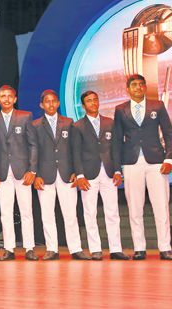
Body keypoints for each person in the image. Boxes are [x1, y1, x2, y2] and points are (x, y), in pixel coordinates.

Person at [112, 74, 172, 260]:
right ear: (128, 89)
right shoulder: (120, 110)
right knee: (134, 207)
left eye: (141, 84)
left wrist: (169, 159)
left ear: (145, 87)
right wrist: (117, 168)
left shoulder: (158, 106)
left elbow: (169, 134)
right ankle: (139, 248)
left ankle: (165, 248)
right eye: (134, 85)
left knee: (161, 205)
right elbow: (116, 141)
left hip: (156, 161)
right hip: (131, 162)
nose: (138, 87)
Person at [71, 91, 130, 260]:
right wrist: (80, 175)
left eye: (95, 99)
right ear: (83, 105)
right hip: (88, 174)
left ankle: (115, 249)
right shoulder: (78, 126)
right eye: (89, 101)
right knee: (90, 213)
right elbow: (75, 153)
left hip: (110, 172)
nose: (93, 103)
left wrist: (118, 171)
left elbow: (116, 149)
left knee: (112, 211)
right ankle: (95, 249)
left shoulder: (110, 123)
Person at [32, 90, 89, 260]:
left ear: (57, 103)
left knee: (70, 212)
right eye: (47, 102)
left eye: (53, 101)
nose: (51, 104)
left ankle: (76, 248)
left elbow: (75, 151)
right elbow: (33, 152)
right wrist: (36, 174)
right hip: (44, 175)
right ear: (42, 105)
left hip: (67, 174)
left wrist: (77, 173)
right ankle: (52, 249)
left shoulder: (69, 123)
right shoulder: (35, 125)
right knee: (47, 213)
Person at [0, 85, 39, 261]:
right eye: (2, 96)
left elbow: (33, 144)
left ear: (15, 99)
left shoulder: (25, 117)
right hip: (2, 172)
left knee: (26, 211)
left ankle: (29, 247)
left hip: (23, 171)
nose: (6, 99)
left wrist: (32, 170)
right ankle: (9, 248)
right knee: (5, 212)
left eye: (9, 96)